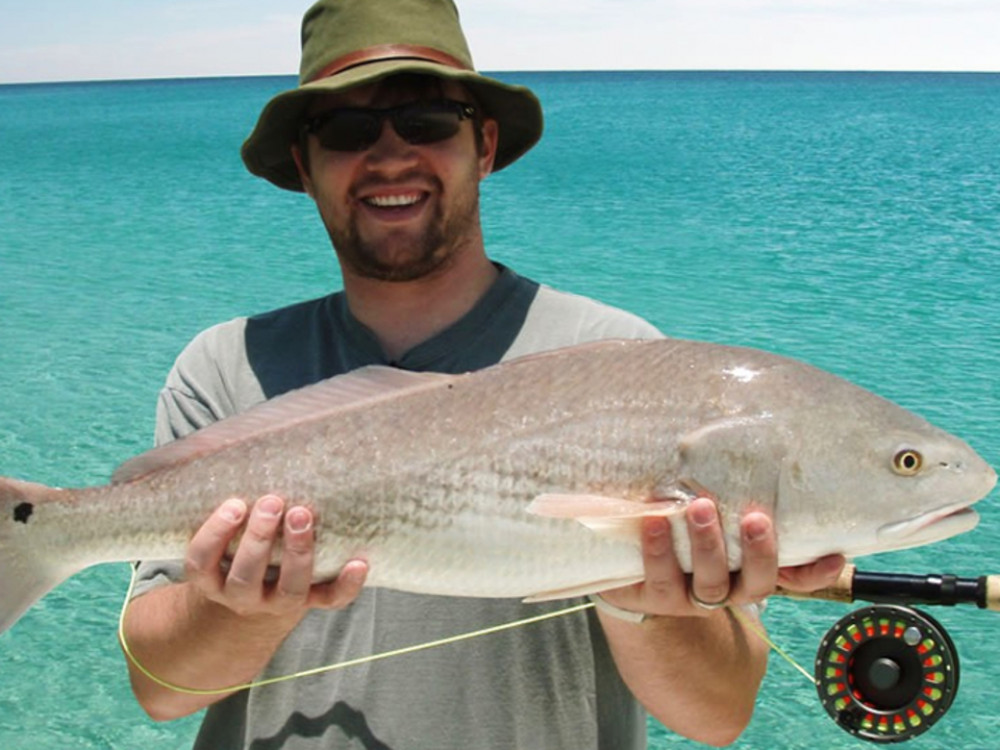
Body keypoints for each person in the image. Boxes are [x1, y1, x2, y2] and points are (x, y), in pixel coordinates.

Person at [121, 1, 844, 748]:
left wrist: (643, 606)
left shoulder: (627, 361)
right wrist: (247, 607)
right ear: (305, 166)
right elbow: (160, 689)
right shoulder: (222, 368)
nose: (391, 155)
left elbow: (718, 715)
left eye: (429, 121)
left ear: (485, 144)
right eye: (347, 130)